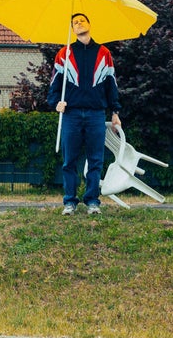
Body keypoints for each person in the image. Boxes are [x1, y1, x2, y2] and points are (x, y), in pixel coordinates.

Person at [47, 13, 122, 215]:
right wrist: (56, 104)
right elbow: (54, 84)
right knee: (69, 161)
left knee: (96, 160)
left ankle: (92, 201)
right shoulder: (64, 53)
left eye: (82, 21)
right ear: (72, 29)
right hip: (70, 114)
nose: (78, 24)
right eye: (75, 23)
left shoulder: (104, 53)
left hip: (96, 114)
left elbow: (111, 84)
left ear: (89, 24)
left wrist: (115, 112)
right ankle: (69, 202)